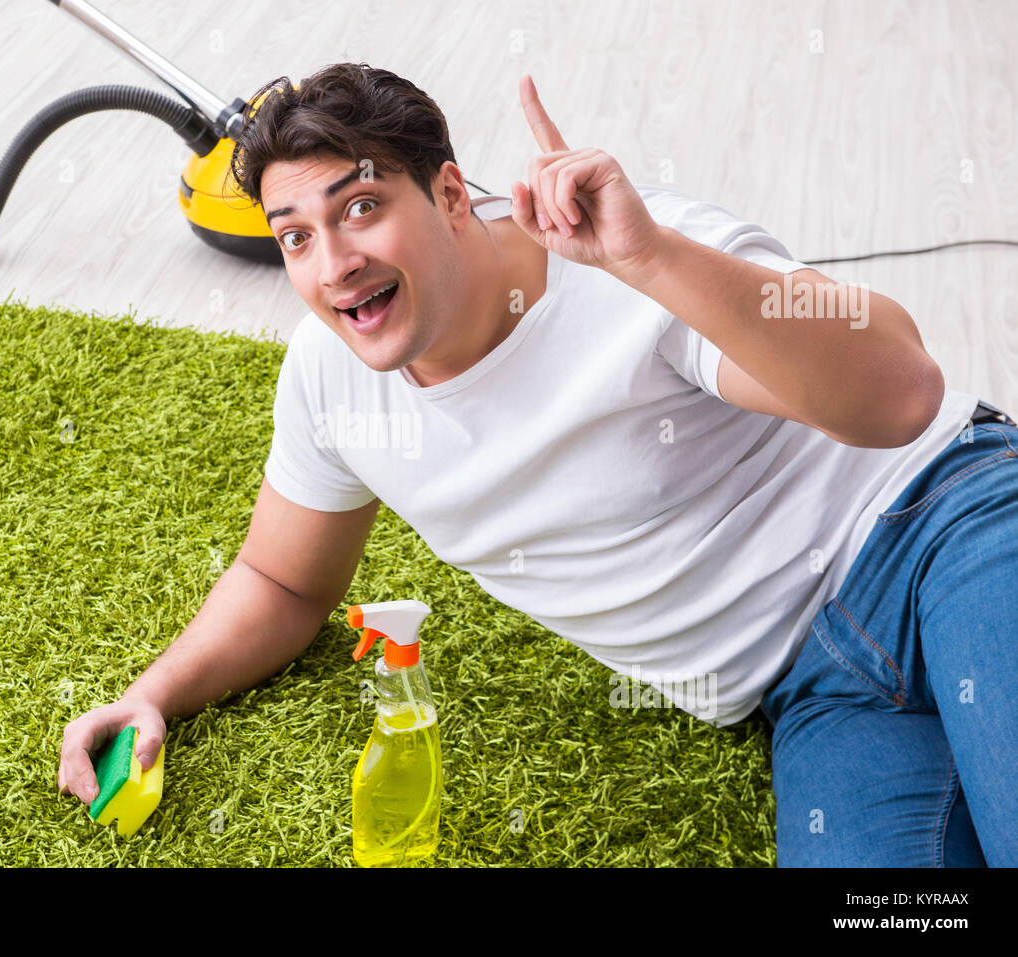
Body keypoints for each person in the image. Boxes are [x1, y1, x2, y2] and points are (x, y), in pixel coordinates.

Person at [58, 63, 1016, 866]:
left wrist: (650, 260)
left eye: (360, 207)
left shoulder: (629, 264)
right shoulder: (330, 384)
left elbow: (901, 396)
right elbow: (282, 577)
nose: (333, 261)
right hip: (815, 690)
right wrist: (153, 694)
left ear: (447, 194)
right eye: (297, 234)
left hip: (943, 524)